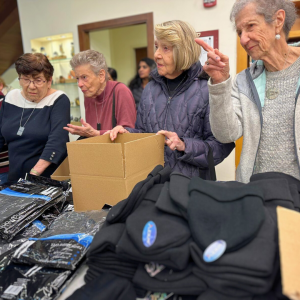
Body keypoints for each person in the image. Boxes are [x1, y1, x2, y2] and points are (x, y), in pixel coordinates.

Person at [107, 20, 235, 179]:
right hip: (154, 185)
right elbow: (144, 133)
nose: (156, 55)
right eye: (156, 46)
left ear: (183, 51)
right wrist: (128, 133)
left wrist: (184, 145)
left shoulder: (208, 89)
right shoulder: (150, 89)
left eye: (165, 48)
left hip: (192, 189)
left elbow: (222, 146)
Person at [196, 0, 300, 183]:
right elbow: (226, 134)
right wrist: (220, 82)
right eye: (239, 32)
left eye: (250, 26)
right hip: (254, 192)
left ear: (278, 20)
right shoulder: (243, 80)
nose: (243, 39)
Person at [0, 53, 70, 183]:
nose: (31, 86)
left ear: (49, 81)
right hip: (15, 178)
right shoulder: (10, 98)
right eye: (26, 79)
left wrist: (33, 174)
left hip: (46, 179)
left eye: (38, 80)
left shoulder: (58, 100)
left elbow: (57, 141)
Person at [64, 50, 136, 137]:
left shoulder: (120, 91)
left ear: (101, 75)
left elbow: (128, 134)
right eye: (77, 78)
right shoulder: (89, 94)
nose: (79, 84)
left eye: (84, 77)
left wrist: (96, 134)